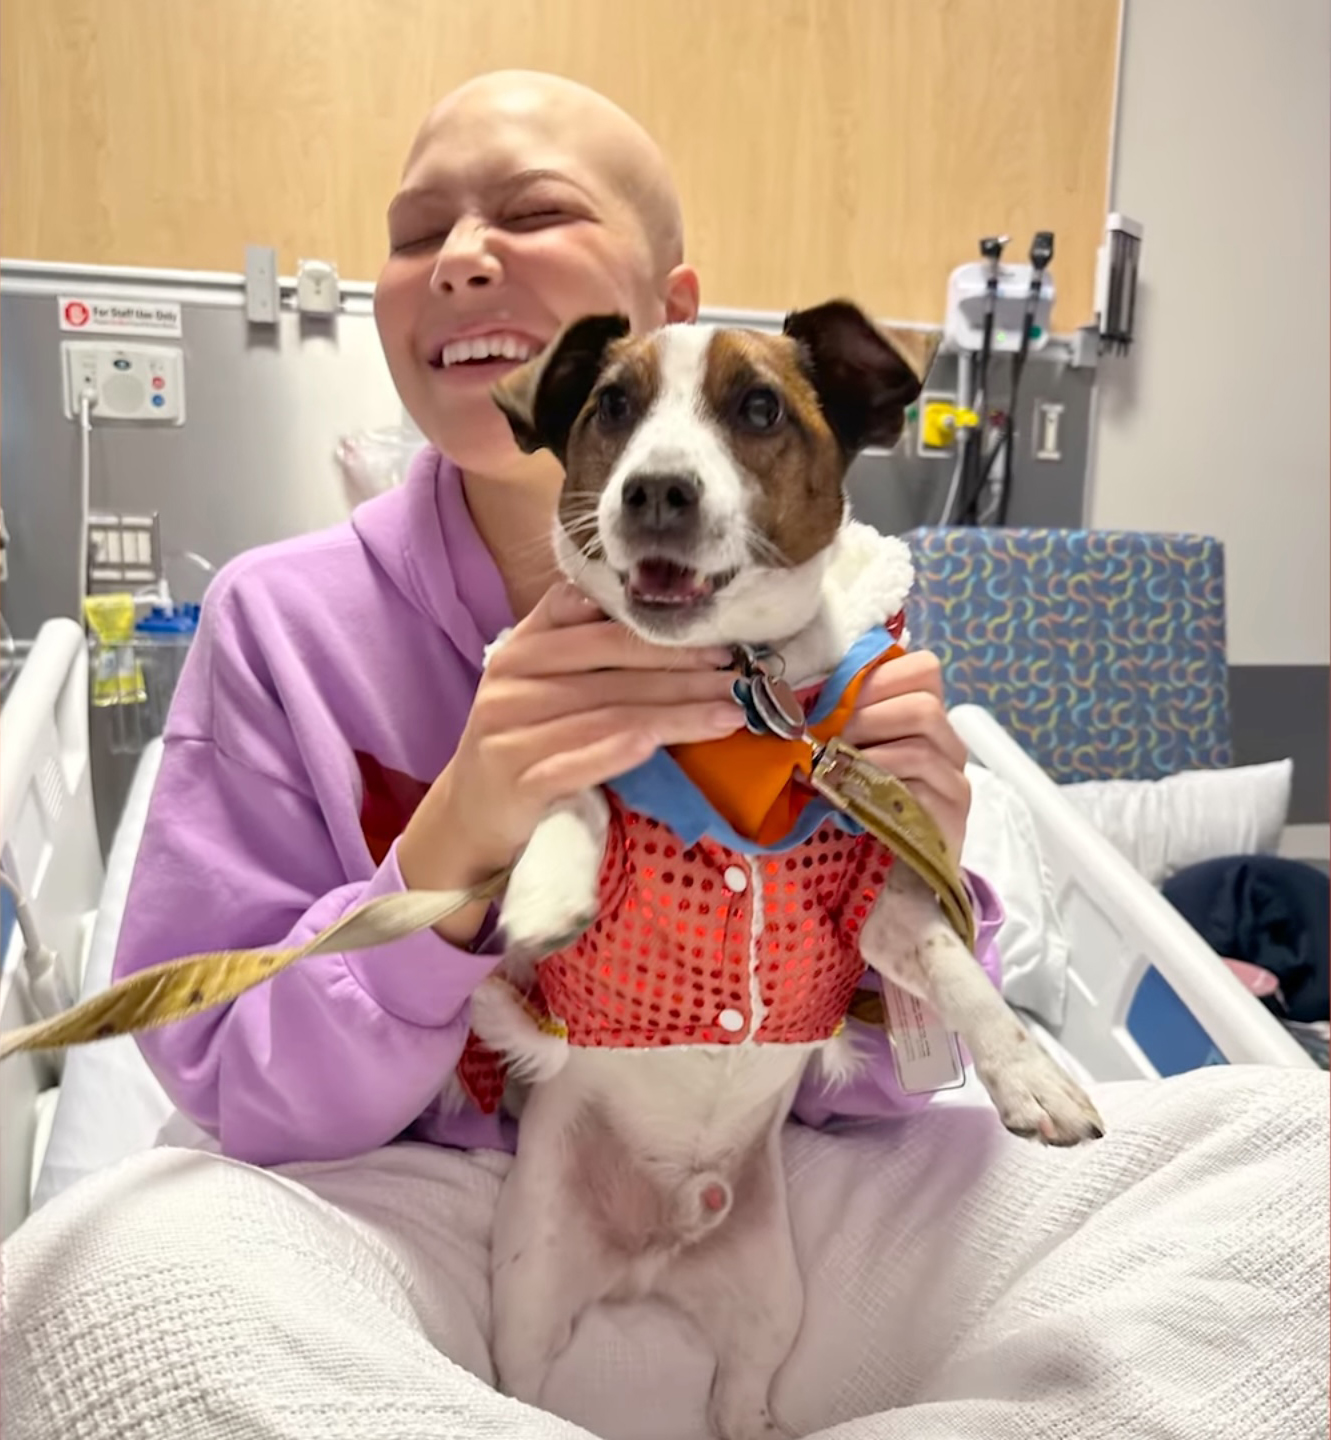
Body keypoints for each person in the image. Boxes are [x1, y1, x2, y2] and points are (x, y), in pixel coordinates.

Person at [1, 71, 1324, 1440]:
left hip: (786, 1165)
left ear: (674, 305)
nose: (461, 255)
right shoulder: (280, 626)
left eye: (530, 209)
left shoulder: (830, 649)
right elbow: (229, 1087)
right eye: (414, 230)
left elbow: (888, 1087)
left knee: (1299, 1178)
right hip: (400, 1194)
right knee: (90, 1284)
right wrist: (456, 840)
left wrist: (917, 857)